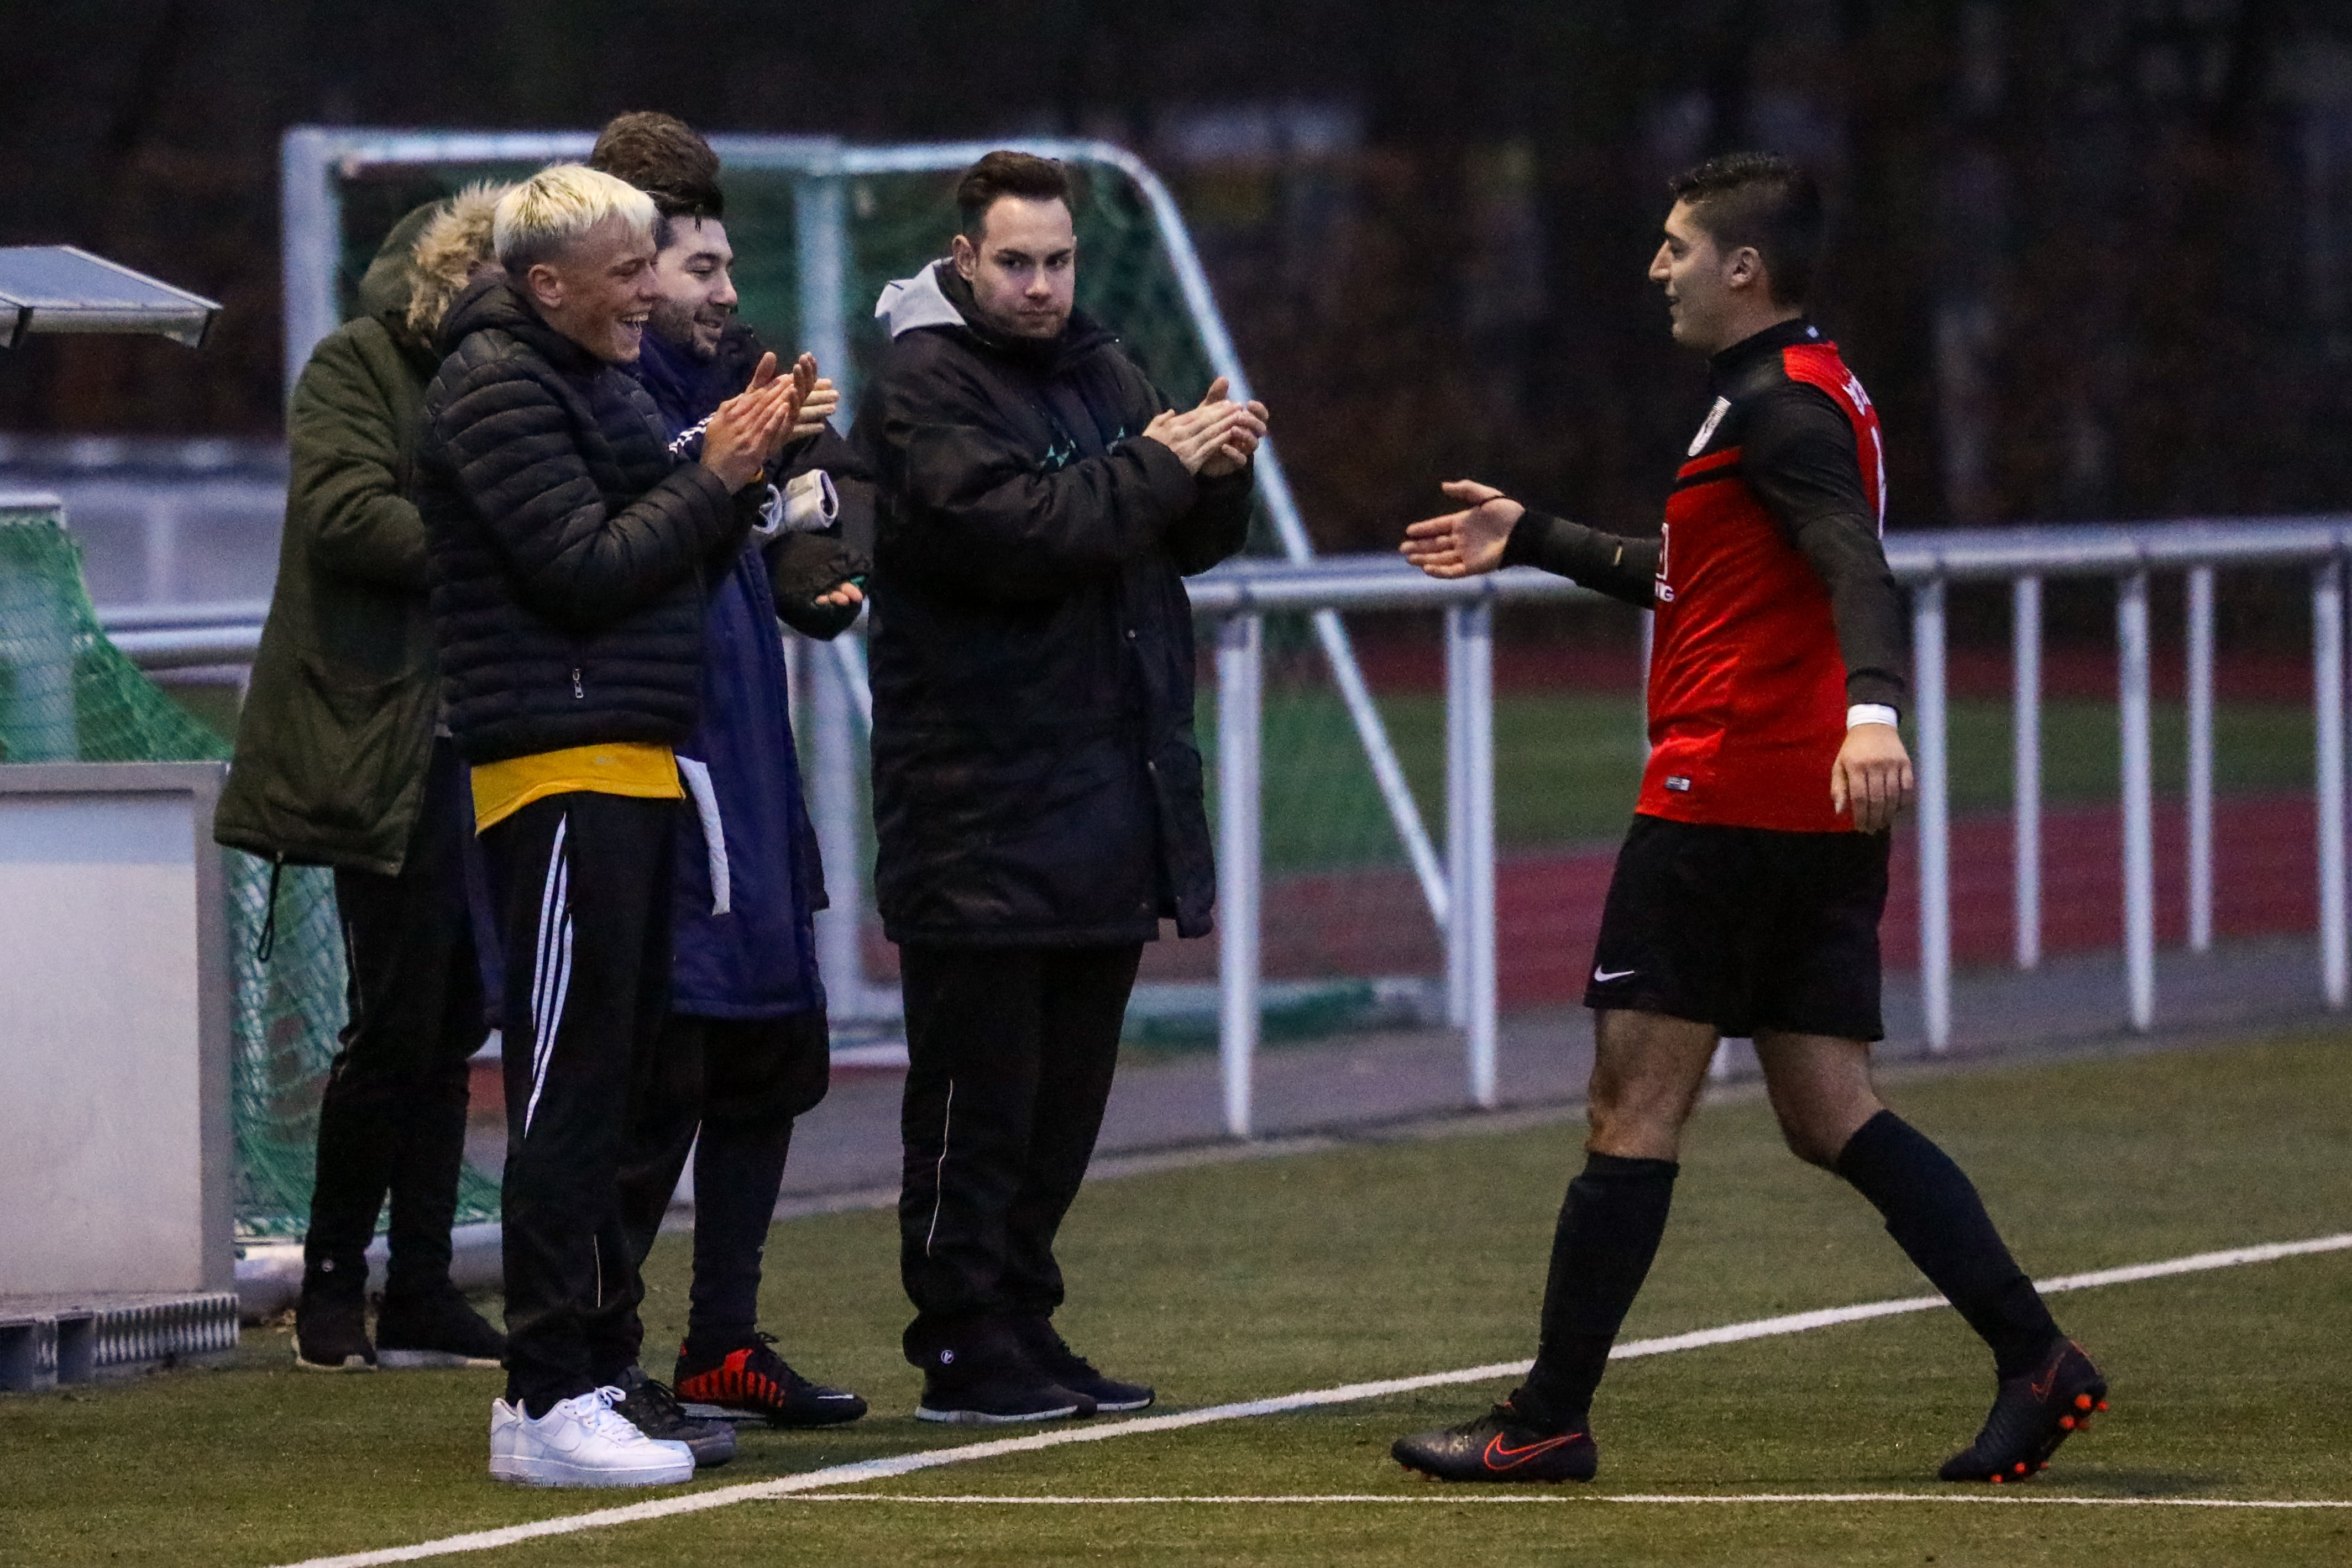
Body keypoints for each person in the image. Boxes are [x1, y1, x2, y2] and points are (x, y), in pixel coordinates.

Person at [1391, 152, 2105, 1486]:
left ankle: (1544, 1419)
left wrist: (1875, 709)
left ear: (1744, 267)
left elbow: (1854, 564)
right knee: (1829, 1110)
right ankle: (2037, 1359)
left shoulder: (1779, 411)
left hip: (1724, 800)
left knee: (1630, 1105)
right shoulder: (1800, 391)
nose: (1656, 268)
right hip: (1808, 813)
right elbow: (1696, 579)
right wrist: (1531, 534)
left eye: (1676, 247)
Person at [856, 150, 1266, 1425]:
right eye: (1016, 263)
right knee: (978, 1104)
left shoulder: (1102, 366)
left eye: (1058, 262)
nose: (1040, 287)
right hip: (978, 807)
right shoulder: (923, 386)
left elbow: (1172, 540)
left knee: (1064, 1100)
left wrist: (1219, 470)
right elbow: (1017, 537)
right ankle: (959, 1341)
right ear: (963, 260)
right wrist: (1161, 464)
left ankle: (1022, 1318)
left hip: (1104, 798)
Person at [416, 162, 804, 1487]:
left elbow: (669, 533)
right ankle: (543, 1394)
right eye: (629, 269)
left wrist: (740, 467)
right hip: (556, 773)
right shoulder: (494, 388)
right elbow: (583, 568)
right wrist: (717, 475)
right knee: (569, 1093)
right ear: (547, 283)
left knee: (626, 1089)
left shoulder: (593, 381)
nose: (652, 292)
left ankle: (590, 1370)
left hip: (630, 762)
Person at [582, 111, 869, 1449]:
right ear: (628, 264)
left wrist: (814, 536)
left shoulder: (735, 384)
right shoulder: (591, 389)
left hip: (748, 775)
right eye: (700, 267)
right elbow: (627, 539)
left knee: (771, 1055)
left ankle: (724, 1343)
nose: (724, 292)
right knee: (655, 1083)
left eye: (724, 265)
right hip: (655, 779)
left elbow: (811, 526)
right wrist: (743, 470)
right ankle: (595, 1358)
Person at [215, 184, 514, 1374]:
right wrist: (504, 543)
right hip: (387, 734)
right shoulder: (357, 364)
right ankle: (335, 1281)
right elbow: (344, 514)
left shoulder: (511, 371)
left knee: (458, 1014)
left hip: (482, 733)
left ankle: (423, 1285)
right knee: (395, 1015)